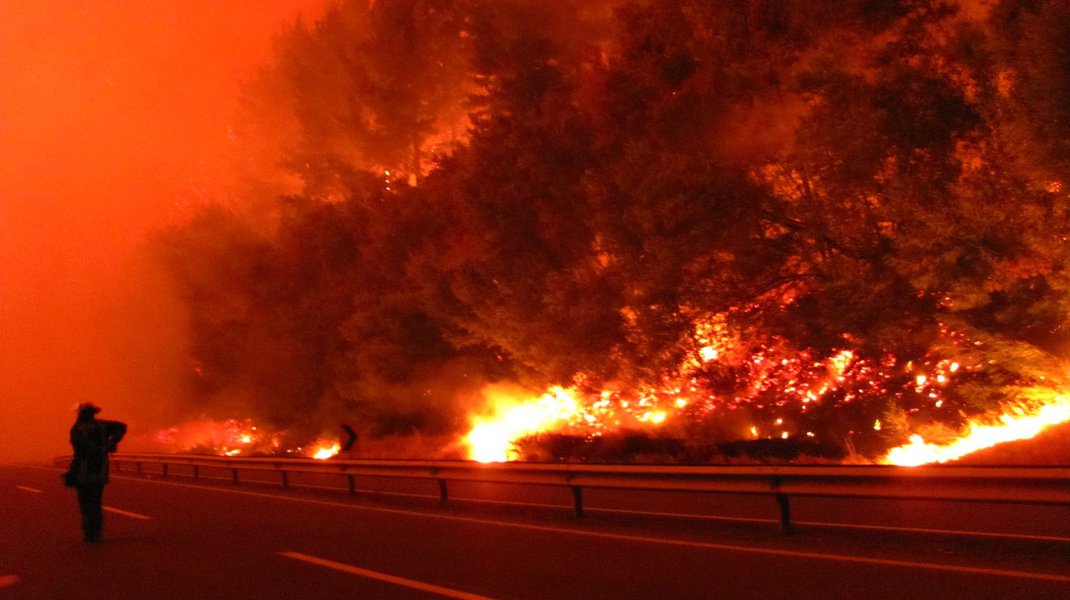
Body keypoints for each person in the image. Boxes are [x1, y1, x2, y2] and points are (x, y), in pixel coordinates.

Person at [66, 403, 126, 542]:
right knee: (96, 501)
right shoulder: (103, 425)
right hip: (100, 470)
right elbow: (122, 427)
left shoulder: (77, 429)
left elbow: (80, 448)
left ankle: (90, 531)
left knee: (85, 502)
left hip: (82, 470)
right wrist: (112, 442)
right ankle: (95, 530)